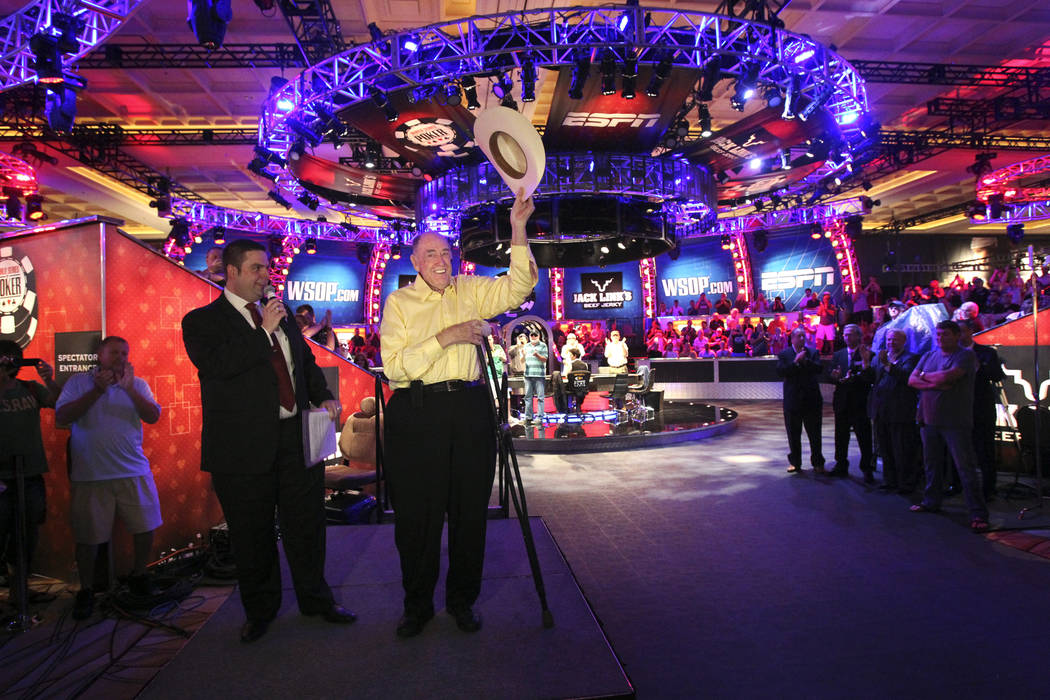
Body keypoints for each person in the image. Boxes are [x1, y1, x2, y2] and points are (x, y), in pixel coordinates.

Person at [379, 189, 537, 638]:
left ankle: (462, 601)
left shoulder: (470, 290)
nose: (440, 259)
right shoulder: (399, 304)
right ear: (415, 261)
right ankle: (417, 605)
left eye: (445, 252)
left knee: (469, 513)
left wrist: (518, 229)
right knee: (418, 517)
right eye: (430, 253)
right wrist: (446, 337)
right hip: (417, 410)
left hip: (470, 408)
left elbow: (519, 286)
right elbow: (395, 367)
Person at [181, 238, 352, 644]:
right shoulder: (202, 321)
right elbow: (219, 366)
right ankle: (260, 611)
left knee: (307, 527)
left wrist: (324, 394)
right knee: (252, 534)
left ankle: (316, 600)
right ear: (233, 272)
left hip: (295, 440)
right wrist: (264, 332)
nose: (265, 275)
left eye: (267, 267)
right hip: (241, 450)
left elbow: (303, 363)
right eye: (256, 268)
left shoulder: (281, 315)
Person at [55, 336, 163, 619]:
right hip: (91, 474)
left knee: (144, 527)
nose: (120, 357)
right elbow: (63, 415)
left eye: (125, 352)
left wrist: (128, 389)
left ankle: (139, 576)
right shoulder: (79, 383)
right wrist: (97, 392)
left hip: (132, 470)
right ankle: (87, 590)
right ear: (99, 355)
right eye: (114, 352)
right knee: (89, 538)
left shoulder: (137, 384)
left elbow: (152, 416)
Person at [907, 321, 989, 531]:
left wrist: (926, 378)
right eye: (939, 334)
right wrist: (932, 381)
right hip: (928, 418)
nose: (941, 338)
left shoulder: (965, 356)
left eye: (945, 334)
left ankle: (978, 513)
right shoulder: (929, 355)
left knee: (965, 467)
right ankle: (931, 501)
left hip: (955, 420)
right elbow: (912, 380)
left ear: (956, 335)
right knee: (931, 464)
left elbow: (948, 376)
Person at [0, 342, 59, 612]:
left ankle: (19, 592)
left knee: (27, 534)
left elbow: (61, 404)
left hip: (31, 474)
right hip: (2, 477)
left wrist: (49, 379)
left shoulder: (31, 389)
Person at [959, 318, 1005, 501]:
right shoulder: (950, 354)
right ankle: (958, 485)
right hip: (958, 408)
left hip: (981, 408)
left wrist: (978, 367)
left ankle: (988, 488)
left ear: (970, 331)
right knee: (960, 450)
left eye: (961, 331)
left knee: (984, 449)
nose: (959, 336)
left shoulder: (986, 353)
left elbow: (996, 375)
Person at [869, 329, 920, 493]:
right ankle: (889, 480)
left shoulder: (911, 358)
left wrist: (888, 365)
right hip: (881, 410)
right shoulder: (879, 358)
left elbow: (907, 378)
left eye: (895, 340)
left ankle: (905, 483)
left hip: (900, 411)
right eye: (889, 340)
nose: (891, 343)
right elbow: (874, 380)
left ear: (903, 341)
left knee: (902, 449)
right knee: (885, 448)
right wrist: (865, 364)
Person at [827, 324, 875, 482]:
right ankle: (841, 464)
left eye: (851, 334)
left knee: (864, 437)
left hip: (859, 402)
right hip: (841, 402)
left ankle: (867, 468)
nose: (847, 337)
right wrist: (835, 377)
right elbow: (830, 376)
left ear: (858, 336)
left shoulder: (867, 354)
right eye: (845, 335)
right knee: (840, 436)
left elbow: (870, 378)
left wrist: (855, 377)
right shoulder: (838, 355)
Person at [777, 327, 826, 474]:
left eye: (804, 336)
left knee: (815, 434)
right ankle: (795, 463)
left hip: (812, 401)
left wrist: (806, 362)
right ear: (792, 339)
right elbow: (781, 372)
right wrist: (796, 363)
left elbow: (819, 369)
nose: (802, 339)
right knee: (793, 434)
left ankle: (818, 463)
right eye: (799, 336)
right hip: (793, 401)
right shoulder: (785, 354)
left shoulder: (813, 352)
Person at [523, 331, 548, 424]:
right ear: (529, 336)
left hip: (539, 375)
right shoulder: (526, 346)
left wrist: (537, 355)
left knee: (540, 397)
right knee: (528, 397)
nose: (533, 337)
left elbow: (545, 359)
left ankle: (540, 417)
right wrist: (522, 355)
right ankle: (528, 417)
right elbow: (522, 360)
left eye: (535, 335)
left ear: (539, 336)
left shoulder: (543, 345)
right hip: (528, 374)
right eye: (531, 335)